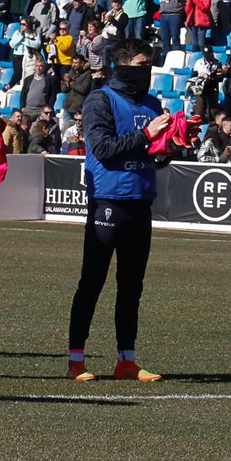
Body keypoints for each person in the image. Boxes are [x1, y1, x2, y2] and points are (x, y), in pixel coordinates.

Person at [66, 39, 174, 382]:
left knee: (132, 285)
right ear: (124, 65)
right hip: (108, 201)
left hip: (140, 201)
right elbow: (102, 148)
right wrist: (146, 135)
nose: (148, 71)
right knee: (93, 282)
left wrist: (168, 148)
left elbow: (152, 153)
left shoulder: (152, 102)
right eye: (143, 64)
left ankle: (126, 359)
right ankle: (76, 361)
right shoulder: (101, 100)